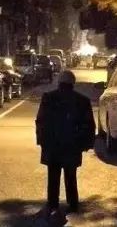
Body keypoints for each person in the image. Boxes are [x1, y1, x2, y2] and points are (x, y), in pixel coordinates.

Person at [35, 69, 96, 213]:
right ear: (73, 83)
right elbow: (89, 125)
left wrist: (42, 141)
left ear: (59, 82)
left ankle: (53, 203)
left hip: (53, 144)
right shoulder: (82, 100)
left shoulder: (49, 98)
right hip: (72, 144)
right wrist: (86, 144)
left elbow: (41, 121)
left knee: (53, 176)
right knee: (71, 176)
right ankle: (73, 203)